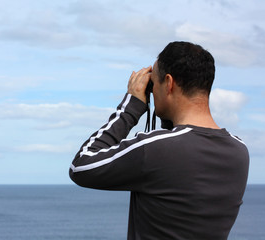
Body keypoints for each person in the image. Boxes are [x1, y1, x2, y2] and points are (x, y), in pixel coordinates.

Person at [69, 41, 249, 240]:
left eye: (153, 84)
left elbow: (81, 166)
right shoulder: (239, 151)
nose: (152, 92)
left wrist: (130, 107)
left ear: (169, 83)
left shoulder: (155, 149)